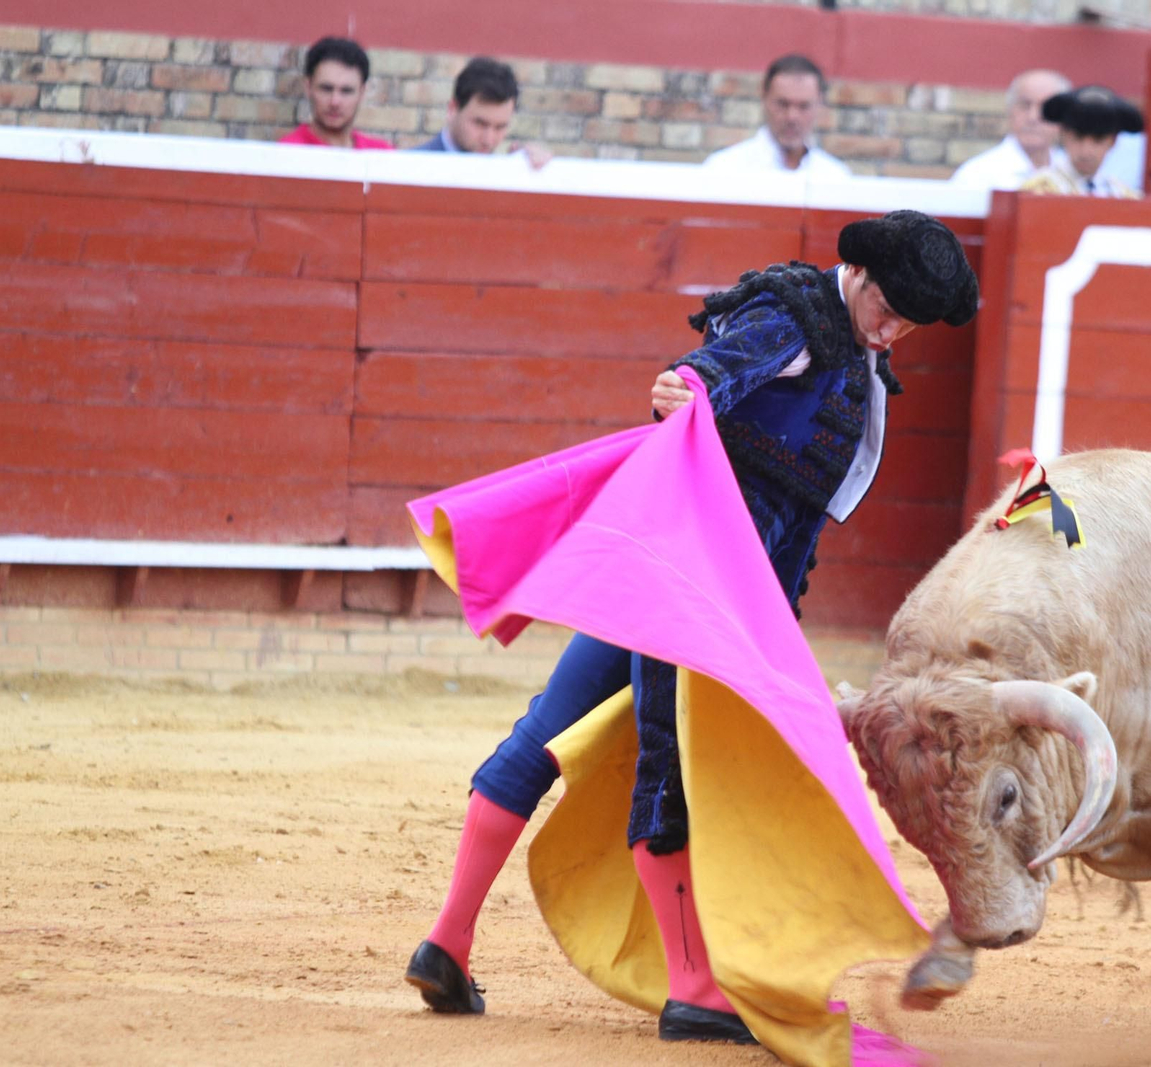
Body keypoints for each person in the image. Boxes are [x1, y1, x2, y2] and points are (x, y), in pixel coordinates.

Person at [404, 210, 979, 1041]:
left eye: (907, 324)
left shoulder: (852, 339)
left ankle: (446, 940)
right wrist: (688, 382)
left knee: (543, 739)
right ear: (855, 273)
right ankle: (694, 990)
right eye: (886, 307)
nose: (891, 330)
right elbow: (716, 370)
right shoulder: (798, 316)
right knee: (670, 767)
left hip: (679, 579)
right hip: (695, 593)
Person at [701, 54, 853, 180]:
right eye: (782, 104)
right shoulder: (724, 169)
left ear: (819, 104)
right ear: (764, 98)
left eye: (803, 106)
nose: (792, 117)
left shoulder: (835, 176)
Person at [409, 56, 552, 168]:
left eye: (500, 127)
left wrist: (532, 172)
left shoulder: (508, 171)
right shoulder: (409, 168)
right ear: (453, 109)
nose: (488, 139)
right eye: (480, 124)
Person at [949, 70, 1072, 189]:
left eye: (1046, 108)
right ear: (1010, 110)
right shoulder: (977, 175)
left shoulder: (1074, 170)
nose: (1033, 117)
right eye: (1025, 105)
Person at [1021, 86, 1144, 198]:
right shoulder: (1040, 190)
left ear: (1113, 142)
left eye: (1098, 140)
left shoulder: (1121, 194)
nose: (1086, 151)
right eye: (1078, 138)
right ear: (1063, 136)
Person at [279, 36, 393, 150]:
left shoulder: (381, 156)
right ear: (308, 87)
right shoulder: (287, 152)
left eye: (346, 91)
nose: (335, 102)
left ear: (362, 92)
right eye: (326, 89)